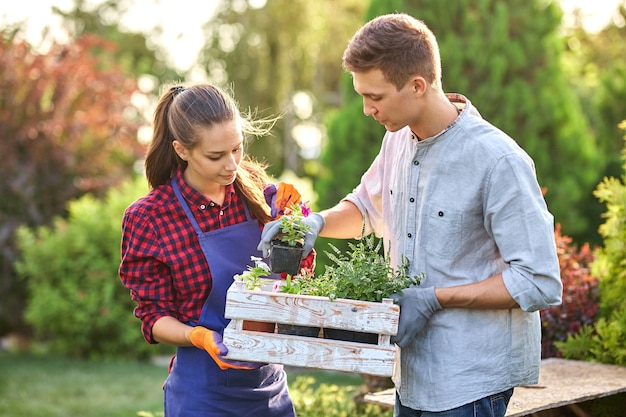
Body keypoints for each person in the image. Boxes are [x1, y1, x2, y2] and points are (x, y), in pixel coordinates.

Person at [259, 13, 562, 417]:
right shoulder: (397, 141)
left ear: (417, 85)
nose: (366, 109)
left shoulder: (497, 160)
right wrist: (316, 223)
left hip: (470, 381)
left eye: (376, 97)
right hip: (411, 373)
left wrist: (435, 299)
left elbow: (538, 280)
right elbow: (367, 208)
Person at [119, 84, 311, 417]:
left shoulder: (256, 192)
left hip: (271, 392)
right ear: (181, 150)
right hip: (203, 395)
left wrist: (296, 227)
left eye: (237, 149)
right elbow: (153, 318)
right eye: (215, 156)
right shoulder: (151, 218)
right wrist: (199, 336)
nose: (232, 165)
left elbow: (296, 279)